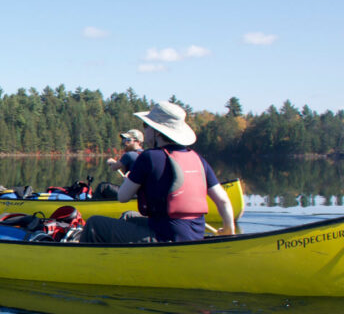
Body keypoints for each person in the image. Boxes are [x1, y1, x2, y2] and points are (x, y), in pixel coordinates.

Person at [78, 102, 236, 243]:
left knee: (94, 224)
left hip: (165, 238)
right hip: (193, 236)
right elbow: (223, 201)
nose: (144, 130)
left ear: (157, 132)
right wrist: (229, 230)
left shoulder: (148, 157)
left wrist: (137, 180)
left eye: (146, 126)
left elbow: (123, 196)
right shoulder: (198, 159)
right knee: (129, 216)